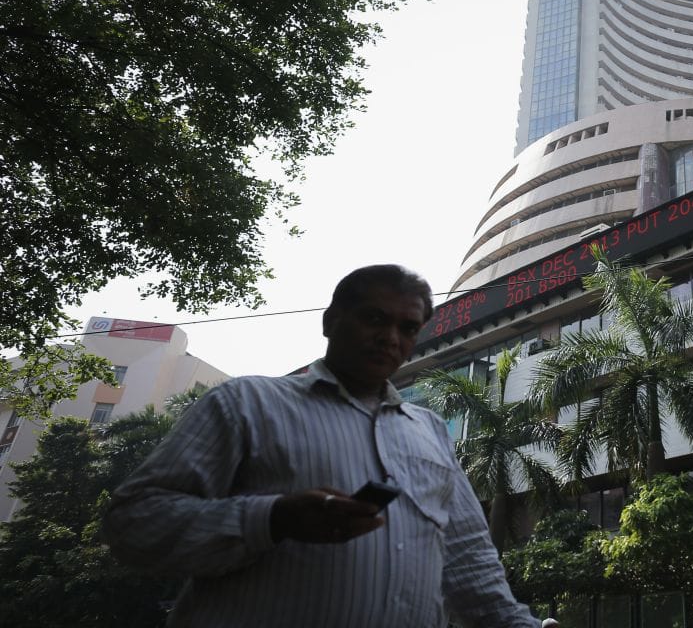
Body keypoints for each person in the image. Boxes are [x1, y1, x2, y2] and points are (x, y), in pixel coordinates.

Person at [104, 265, 539, 628]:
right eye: (374, 319)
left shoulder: (430, 430)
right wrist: (273, 518)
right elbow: (133, 523)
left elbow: (469, 562)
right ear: (331, 321)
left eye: (407, 328)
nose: (391, 338)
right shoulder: (248, 403)